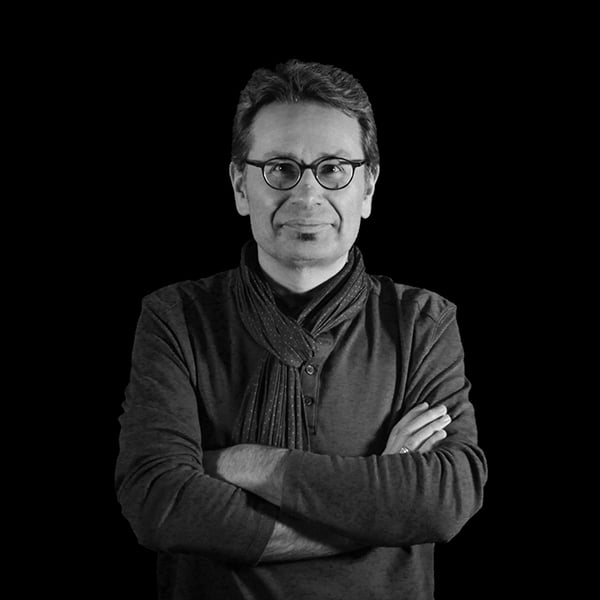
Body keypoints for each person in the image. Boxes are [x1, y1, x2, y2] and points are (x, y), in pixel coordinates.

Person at [116, 58, 487, 600]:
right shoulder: (177, 318)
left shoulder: (422, 323)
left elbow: (445, 499)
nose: (308, 195)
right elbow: (160, 503)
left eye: (333, 169)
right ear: (240, 185)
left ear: (368, 187)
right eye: (281, 169)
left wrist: (244, 463)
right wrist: (375, 511)